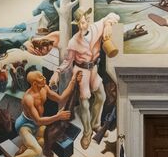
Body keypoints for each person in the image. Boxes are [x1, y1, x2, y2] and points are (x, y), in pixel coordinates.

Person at [50, 12, 119, 149]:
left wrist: (108, 25)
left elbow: (112, 15)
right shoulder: (73, 41)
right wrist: (57, 72)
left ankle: (95, 124)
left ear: (88, 21)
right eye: (80, 23)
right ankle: (87, 133)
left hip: (93, 69)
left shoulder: (95, 28)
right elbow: (68, 61)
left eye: (85, 21)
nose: (83, 25)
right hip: (81, 71)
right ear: (76, 23)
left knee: (101, 96)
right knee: (85, 103)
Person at [3, 71, 79, 157]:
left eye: (43, 76)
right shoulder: (28, 99)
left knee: (47, 139)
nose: (44, 78)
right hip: (25, 126)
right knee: (37, 151)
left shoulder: (45, 88)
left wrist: (73, 81)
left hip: (37, 125)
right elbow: (38, 120)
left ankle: (25, 146)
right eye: (41, 78)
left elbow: (61, 98)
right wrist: (58, 116)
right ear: (34, 84)